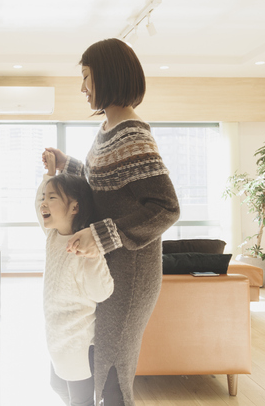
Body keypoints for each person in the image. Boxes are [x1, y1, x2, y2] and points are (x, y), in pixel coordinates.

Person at [43, 38, 180, 406]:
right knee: (89, 365)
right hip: (108, 266)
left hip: (130, 274)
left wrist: (102, 235)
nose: (83, 87)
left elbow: (165, 207)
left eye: (87, 77)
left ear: (107, 76)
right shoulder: (109, 129)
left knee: (111, 374)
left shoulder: (133, 134)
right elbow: (100, 183)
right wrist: (67, 164)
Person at [37, 151, 114, 406]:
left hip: (78, 342)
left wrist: (92, 256)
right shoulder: (52, 236)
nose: (43, 203)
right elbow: (39, 201)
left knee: (80, 401)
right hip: (56, 334)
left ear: (74, 207)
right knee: (55, 384)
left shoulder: (86, 245)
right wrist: (49, 175)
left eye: (52, 198)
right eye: (43, 198)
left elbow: (102, 292)